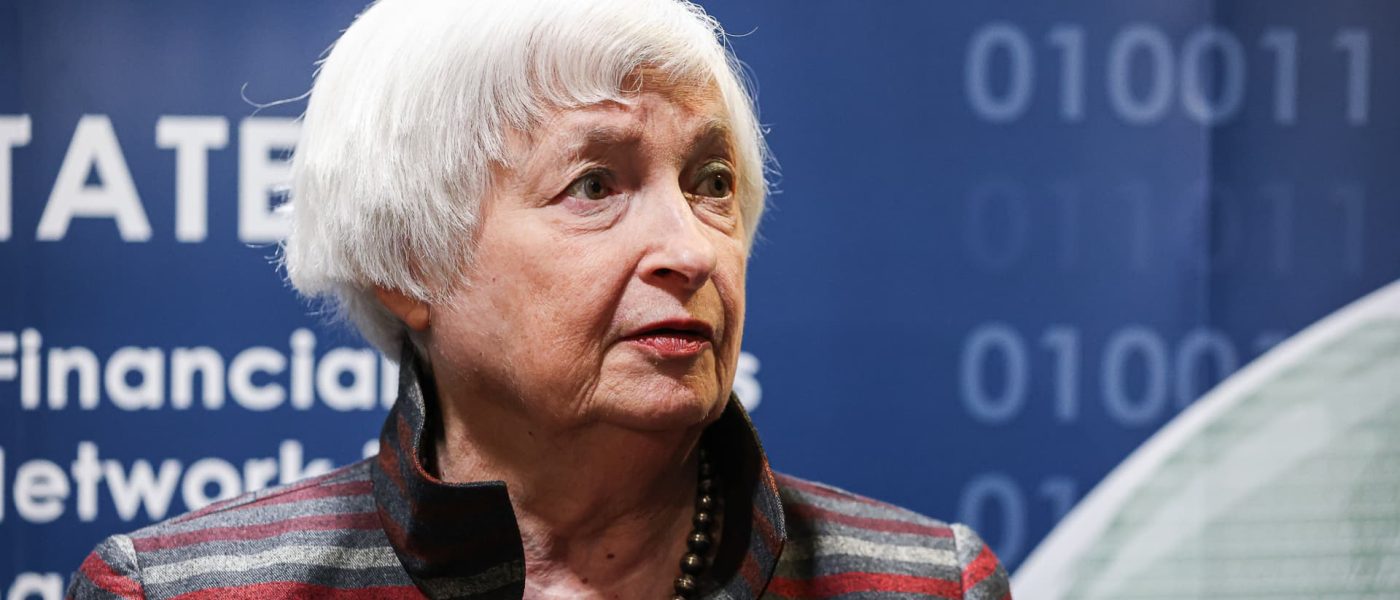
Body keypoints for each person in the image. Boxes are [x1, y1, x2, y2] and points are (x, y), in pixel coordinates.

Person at [68, 0, 1012, 598]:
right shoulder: (181, 592)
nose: (691, 249)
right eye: (594, 186)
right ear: (409, 262)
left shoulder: (929, 586)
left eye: (712, 182)